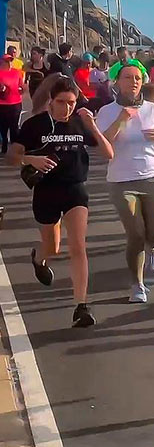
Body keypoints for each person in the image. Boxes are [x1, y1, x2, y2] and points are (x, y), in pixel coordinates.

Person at [9, 77, 113, 327]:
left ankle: (81, 305)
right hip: (46, 191)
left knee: (78, 246)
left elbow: (109, 153)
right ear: (51, 102)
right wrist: (31, 161)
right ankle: (39, 258)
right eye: (61, 102)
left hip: (75, 189)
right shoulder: (35, 125)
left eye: (72, 103)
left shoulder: (80, 122)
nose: (67, 108)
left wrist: (93, 127)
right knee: (53, 247)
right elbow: (13, 156)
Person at [96, 63, 154, 304]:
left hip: (153, 175)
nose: (133, 82)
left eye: (138, 78)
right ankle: (137, 284)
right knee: (135, 234)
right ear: (117, 82)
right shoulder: (106, 112)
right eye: (128, 78)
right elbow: (104, 147)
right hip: (121, 179)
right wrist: (121, 119)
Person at [0, 55, 24, 155]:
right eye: (6, 61)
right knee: (3, 127)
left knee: (14, 127)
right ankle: (4, 144)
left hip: (15, 103)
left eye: (10, 61)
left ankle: (14, 148)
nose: (9, 63)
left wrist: (21, 90)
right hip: (2, 104)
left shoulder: (16, 72)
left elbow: (21, 86)